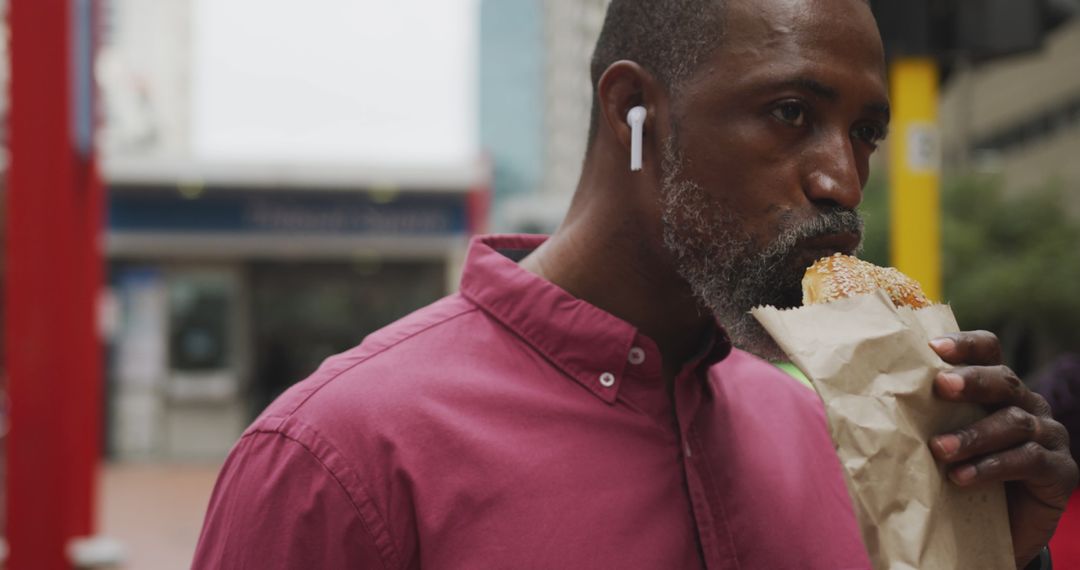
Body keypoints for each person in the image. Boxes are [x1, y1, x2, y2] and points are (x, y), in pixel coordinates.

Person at [193, 0, 1078, 568]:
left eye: (865, 134)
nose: (841, 181)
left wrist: (999, 552)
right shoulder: (336, 458)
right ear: (633, 114)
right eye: (791, 115)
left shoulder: (827, 432)